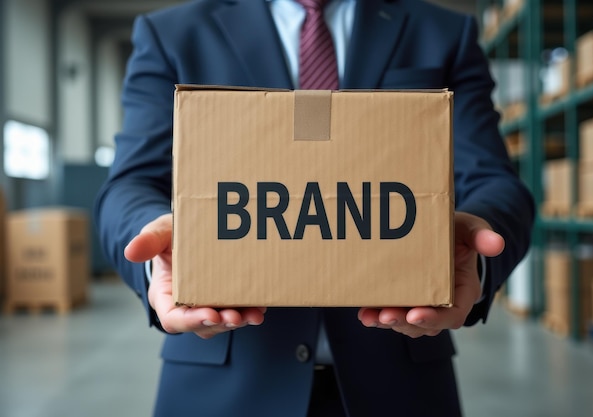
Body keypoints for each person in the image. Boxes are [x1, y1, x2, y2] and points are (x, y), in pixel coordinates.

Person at [94, 0, 535, 416]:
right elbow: (131, 183)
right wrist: (164, 256)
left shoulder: (440, 32)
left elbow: (493, 181)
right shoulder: (175, 33)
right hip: (225, 384)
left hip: (397, 386)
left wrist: (471, 257)